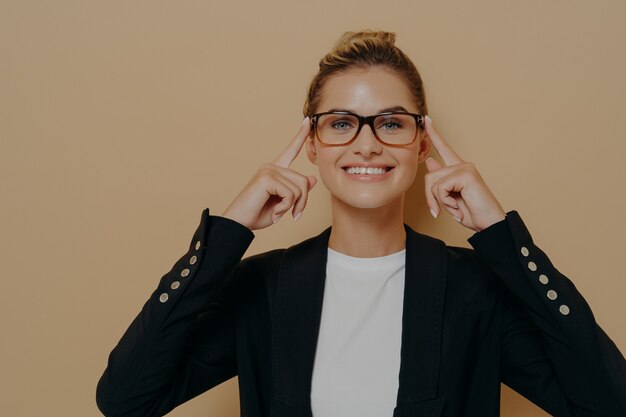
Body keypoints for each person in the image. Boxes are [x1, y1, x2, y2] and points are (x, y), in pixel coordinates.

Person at [96, 30, 626, 417]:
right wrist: (227, 234)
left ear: (421, 145)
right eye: (342, 123)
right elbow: (125, 397)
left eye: (391, 123)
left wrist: (503, 239)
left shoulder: (475, 290)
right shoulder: (262, 288)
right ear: (312, 145)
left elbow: (607, 403)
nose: (367, 143)